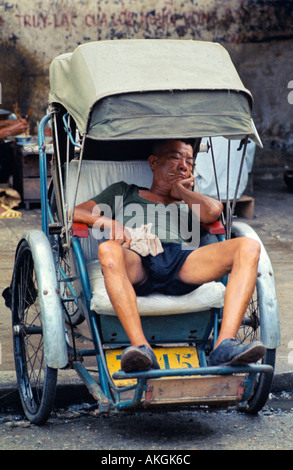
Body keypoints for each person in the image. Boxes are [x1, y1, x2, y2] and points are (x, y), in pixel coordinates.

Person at [73, 139, 265, 372]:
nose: (184, 166)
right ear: (153, 162)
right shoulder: (125, 191)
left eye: (190, 162)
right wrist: (107, 222)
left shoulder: (190, 202)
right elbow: (77, 211)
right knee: (107, 249)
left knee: (248, 246)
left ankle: (224, 345)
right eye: (176, 157)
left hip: (182, 260)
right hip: (137, 259)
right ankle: (142, 348)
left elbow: (215, 211)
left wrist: (181, 191)